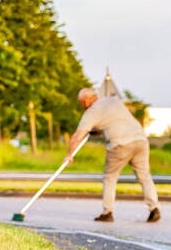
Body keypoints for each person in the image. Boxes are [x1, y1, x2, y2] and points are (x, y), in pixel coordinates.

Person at [66, 87, 160, 223]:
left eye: (81, 103)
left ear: (86, 100)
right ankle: (154, 208)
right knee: (144, 176)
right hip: (140, 140)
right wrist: (97, 130)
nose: (82, 106)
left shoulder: (91, 112)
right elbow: (113, 121)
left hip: (120, 144)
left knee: (110, 177)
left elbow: (78, 135)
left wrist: (69, 154)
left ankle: (107, 212)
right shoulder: (113, 101)